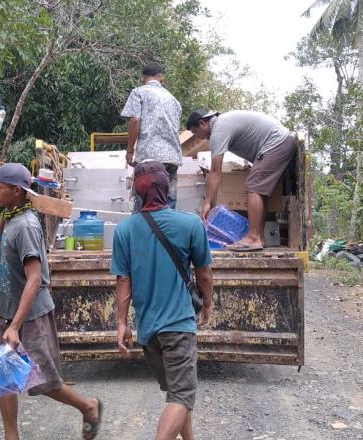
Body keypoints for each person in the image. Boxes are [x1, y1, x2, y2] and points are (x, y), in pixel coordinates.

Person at [0, 163, 103, 440]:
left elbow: (35, 279)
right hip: (4, 310)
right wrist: (3, 216)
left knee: (43, 381)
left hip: (29, 316)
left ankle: (88, 407)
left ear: (17, 191)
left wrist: (16, 326)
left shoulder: (27, 226)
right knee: (4, 377)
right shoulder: (12, 216)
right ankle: (11, 435)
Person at [111, 161, 213, 440]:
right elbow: (204, 273)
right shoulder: (190, 224)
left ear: (136, 192)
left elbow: (123, 281)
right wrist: (208, 303)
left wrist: (121, 323)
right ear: (167, 188)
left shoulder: (124, 230)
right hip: (178, 326)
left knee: (176, 393)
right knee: (181, 396)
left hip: (148, 332)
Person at [186, 109, 296, 251]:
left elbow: (215, 171)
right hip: (280, 142)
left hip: (277, 143)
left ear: (202, 123)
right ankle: (259, 238)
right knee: (258, 189)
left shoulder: (219, 129)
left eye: (195, 132)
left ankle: (253, 238)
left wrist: (207, 202)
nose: (198, 137)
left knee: (253, 186)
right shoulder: (223, 122)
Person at [121, 62, 182, 209]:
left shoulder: (139, 92)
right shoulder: (174, 100)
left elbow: (135, 120)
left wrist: (130, 150)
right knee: (168, 201)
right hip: (172, 158)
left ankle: (143, 232)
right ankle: (168, 231)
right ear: (162, 78)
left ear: (143, 78)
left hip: (149, 157)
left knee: (145, 201)